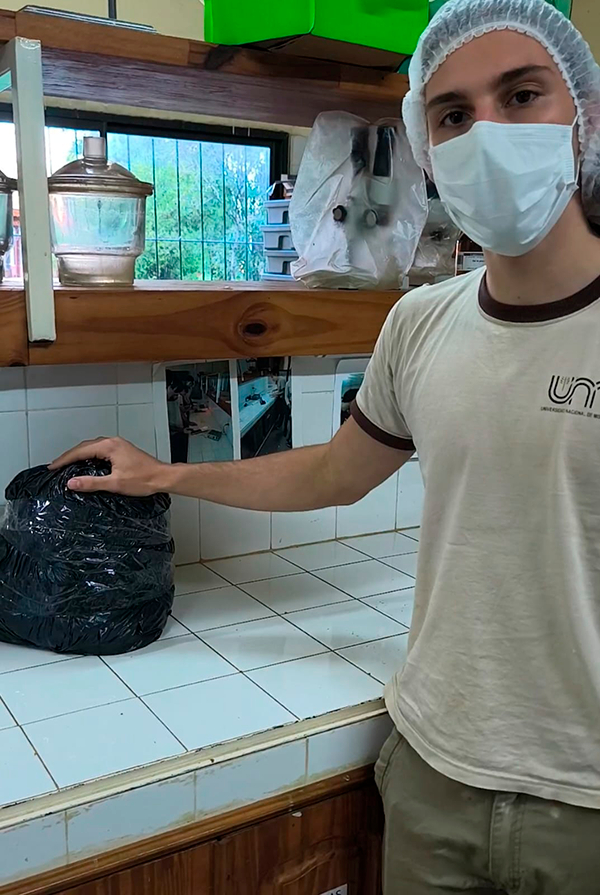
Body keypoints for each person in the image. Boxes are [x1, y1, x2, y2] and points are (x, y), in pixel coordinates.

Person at [50, 0, 600, 889]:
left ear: (585, 117)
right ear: (427, 150)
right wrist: (165, 473)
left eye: (522, 94)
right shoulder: (420, 323)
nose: (486, 133)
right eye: (453, 114)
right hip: (434, 774)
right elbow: (333, 472)